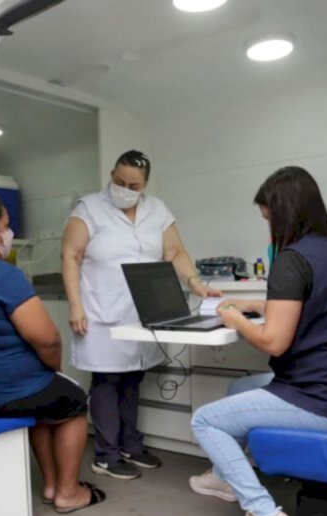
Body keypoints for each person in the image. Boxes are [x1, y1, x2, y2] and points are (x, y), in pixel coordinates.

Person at [190, 166, 327, 516]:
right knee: (239, 390)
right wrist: (258, 305)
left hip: (318, 400)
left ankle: (265, 515)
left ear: (284, 213)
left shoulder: (291, 259)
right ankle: (225, 476)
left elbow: (274, 341)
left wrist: (237, 318)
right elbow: (314, 305)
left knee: (205, 420)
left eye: (268, 217)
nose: (267, 227)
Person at [61, 150, 221, 480]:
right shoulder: (89, 208)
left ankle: (131, 445)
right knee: (107, 380)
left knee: (133, 376)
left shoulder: (157, 209)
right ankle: (105, 454)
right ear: (112, 174)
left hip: (141, 311)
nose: (123, 188)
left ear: (145, 184)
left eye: (132, 184)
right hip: (100, 311)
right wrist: (76, 306)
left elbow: (174, 252)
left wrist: (195, 283)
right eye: (118, 181)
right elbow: (70, 255)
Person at [0, 194, 104, 514]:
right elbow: (47, 339)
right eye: (6, 227)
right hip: (9, 387)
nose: (9, 234)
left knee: (43, 404)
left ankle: (49, 485)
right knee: (72, 400)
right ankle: (68, 492)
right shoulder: (3, 275)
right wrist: (53, 369)